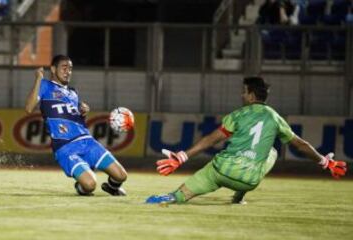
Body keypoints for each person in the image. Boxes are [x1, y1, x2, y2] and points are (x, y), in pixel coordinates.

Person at [146, 76, 347, 205]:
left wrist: (182, 157)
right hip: (249, 180)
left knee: (180, 195)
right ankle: (238, 197)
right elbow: (301, 145)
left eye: (244, 92)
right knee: (271, 152)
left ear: (251, 95)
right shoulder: (275, 117)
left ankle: (168, 198)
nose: (242, 95)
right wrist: (325, 161)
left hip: (221, 171)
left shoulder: (238, 115)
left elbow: (211, 140)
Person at [25, 54, 127, 196]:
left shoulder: (73, 93)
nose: (68, 72)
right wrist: (38, 80)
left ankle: (111, 187)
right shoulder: (45, 86)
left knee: (121, 176)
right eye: (64, 68)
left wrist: (83, 110)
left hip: (87, 142)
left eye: (70, 69)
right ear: (53, 69)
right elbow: (29, 108)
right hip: (66, 147)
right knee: (90, 185)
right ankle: (81, 186)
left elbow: (74, 115)